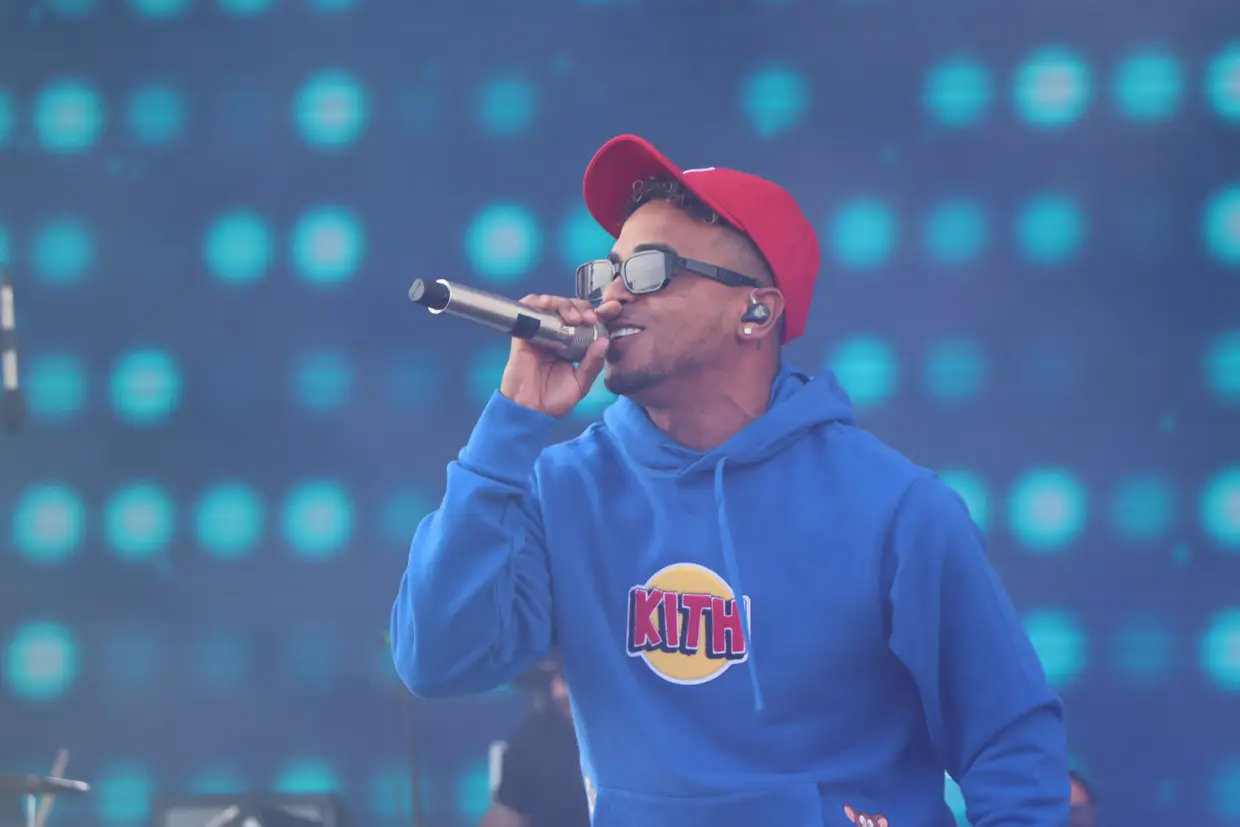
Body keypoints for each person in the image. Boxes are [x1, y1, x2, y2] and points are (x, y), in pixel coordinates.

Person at [391, 134, 1070, 827]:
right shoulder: (560, 489)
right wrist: (511, 424)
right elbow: (437, 659)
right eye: (604, 273)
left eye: (650, 270)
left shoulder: (897, 508)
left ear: (756, 311)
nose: (611, 298)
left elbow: (1011, 745)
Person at [478, 657, 591, 827]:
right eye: (556, 677)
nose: (558, 692)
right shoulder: (534, 740)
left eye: (569, 678)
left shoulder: (627, 740)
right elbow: (505, 815)